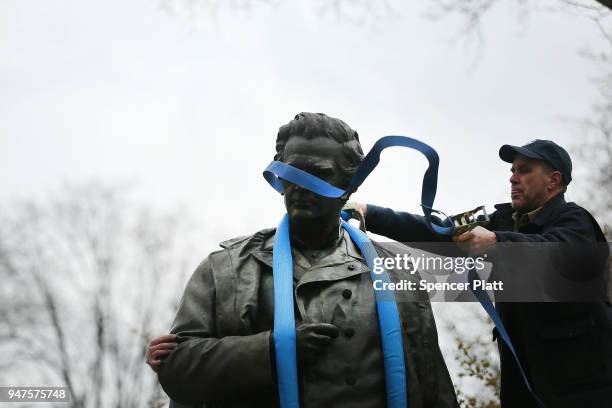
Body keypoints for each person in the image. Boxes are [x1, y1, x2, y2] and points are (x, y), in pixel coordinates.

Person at [151, 113, 459, 408]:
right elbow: (178, 368)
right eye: (293, 172)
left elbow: (433, 385)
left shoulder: (398, 274)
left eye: (320, 174)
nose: (301, 187)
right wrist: (273, 350)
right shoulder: (226, 268)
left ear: (349, 184)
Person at [356, 140, 612, 407]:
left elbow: (558, 254)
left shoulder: (576, 221)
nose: (513, 178)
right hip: (525, 391)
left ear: (553, 180)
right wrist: (369, 213)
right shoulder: (499, 221)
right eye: (512, 171)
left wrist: (497, 242)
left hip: (589, 391)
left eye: (524, 170)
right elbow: (436, 230)